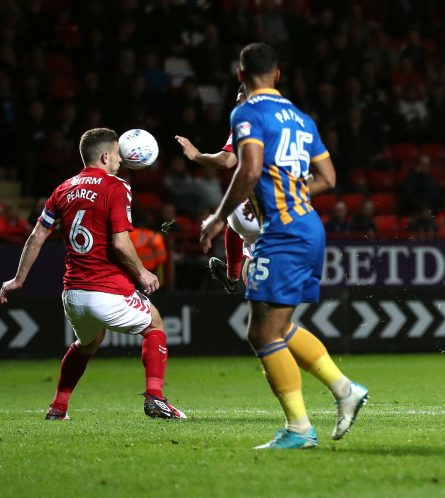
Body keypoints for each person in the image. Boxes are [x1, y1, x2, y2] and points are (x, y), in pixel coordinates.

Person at [198, 43, 368, 449]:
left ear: (241, 76)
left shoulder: (247, 112)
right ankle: (345, 391)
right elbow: (327, 176)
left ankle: (299, 429)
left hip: (284, 233)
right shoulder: (301, 118)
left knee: (262, 332)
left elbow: (249, 167)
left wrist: (219, 217)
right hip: (307, 225)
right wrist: (293, 193)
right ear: (277, 74)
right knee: (278, 327)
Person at [0, 128, 186, 420]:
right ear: (104, 156)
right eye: (116, 155)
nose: (120, 160)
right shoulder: (116, 186)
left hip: (73, 294)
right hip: (107, 289)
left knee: (88, 342)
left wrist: (18, 279)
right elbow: (120, 242)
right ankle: (155, 398)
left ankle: (58, 407)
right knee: (155, 324)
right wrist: (142, 272)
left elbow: (37, 236)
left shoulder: (63, 188)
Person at [176, 85, 249, 295]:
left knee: (237, 216)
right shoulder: (290, 120)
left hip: (263, 211)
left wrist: (197, 155)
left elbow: (227, 161)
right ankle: (234, 276)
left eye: (241, 101)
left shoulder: (246, 122)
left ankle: (233, 276)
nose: (238, 107)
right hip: (290, 210)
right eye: (237, 102)